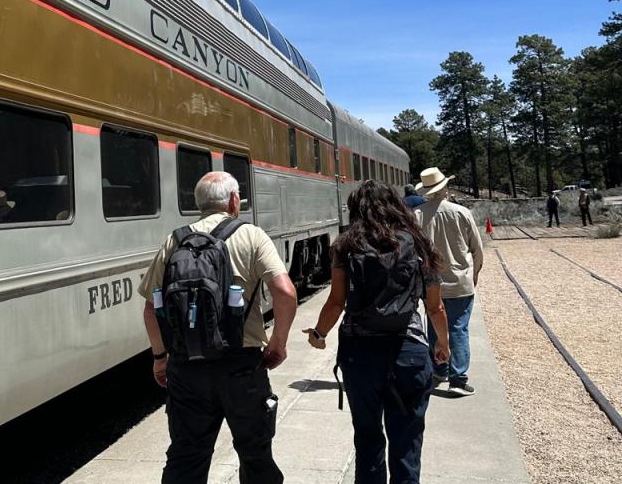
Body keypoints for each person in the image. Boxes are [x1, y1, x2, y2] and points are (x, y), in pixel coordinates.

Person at [139, 171, 297, 484]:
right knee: (255, 456)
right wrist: (278, 343)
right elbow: (286, 292)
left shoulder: (176, 239)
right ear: (234, 201)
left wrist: (160, 357)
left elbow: (149, 308)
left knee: (186, 457)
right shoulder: (251, 235)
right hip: (241, 365)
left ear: (198, 204)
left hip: (187, 369)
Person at [305, 180, 449, 484]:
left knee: (368, 438)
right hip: (409, 352)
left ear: (356, 208)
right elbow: (436, 308)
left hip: (360, 355)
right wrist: (443, 345)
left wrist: (319, 334)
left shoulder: (345, 246)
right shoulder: (419, 242)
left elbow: (336, 301)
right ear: (397, 206)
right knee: (407, 441)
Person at [415, 167, 483, 397]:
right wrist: (474, 274)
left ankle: (439, 368)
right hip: (460, 280)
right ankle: (458, 378)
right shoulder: (462, 212)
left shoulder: (417, 215)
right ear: (443, 188)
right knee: (458, 328)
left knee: (435, 324)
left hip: (430, 283)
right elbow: (477, 249)